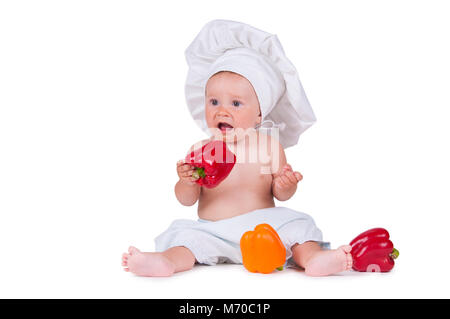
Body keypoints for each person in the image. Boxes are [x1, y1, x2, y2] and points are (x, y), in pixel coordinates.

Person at [122, 20, 352, 277]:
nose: (222, 110)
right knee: (185, 238)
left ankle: (313, 258)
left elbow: (281, 195)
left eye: (236, 103)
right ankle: (165, 262)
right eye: (214, 101)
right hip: (213, 230)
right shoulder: (201, 149)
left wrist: (286, 185)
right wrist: (185, 181)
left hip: (265, 231)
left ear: (259, 114)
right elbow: (186, 200)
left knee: (298, 227)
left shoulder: (268, 147)